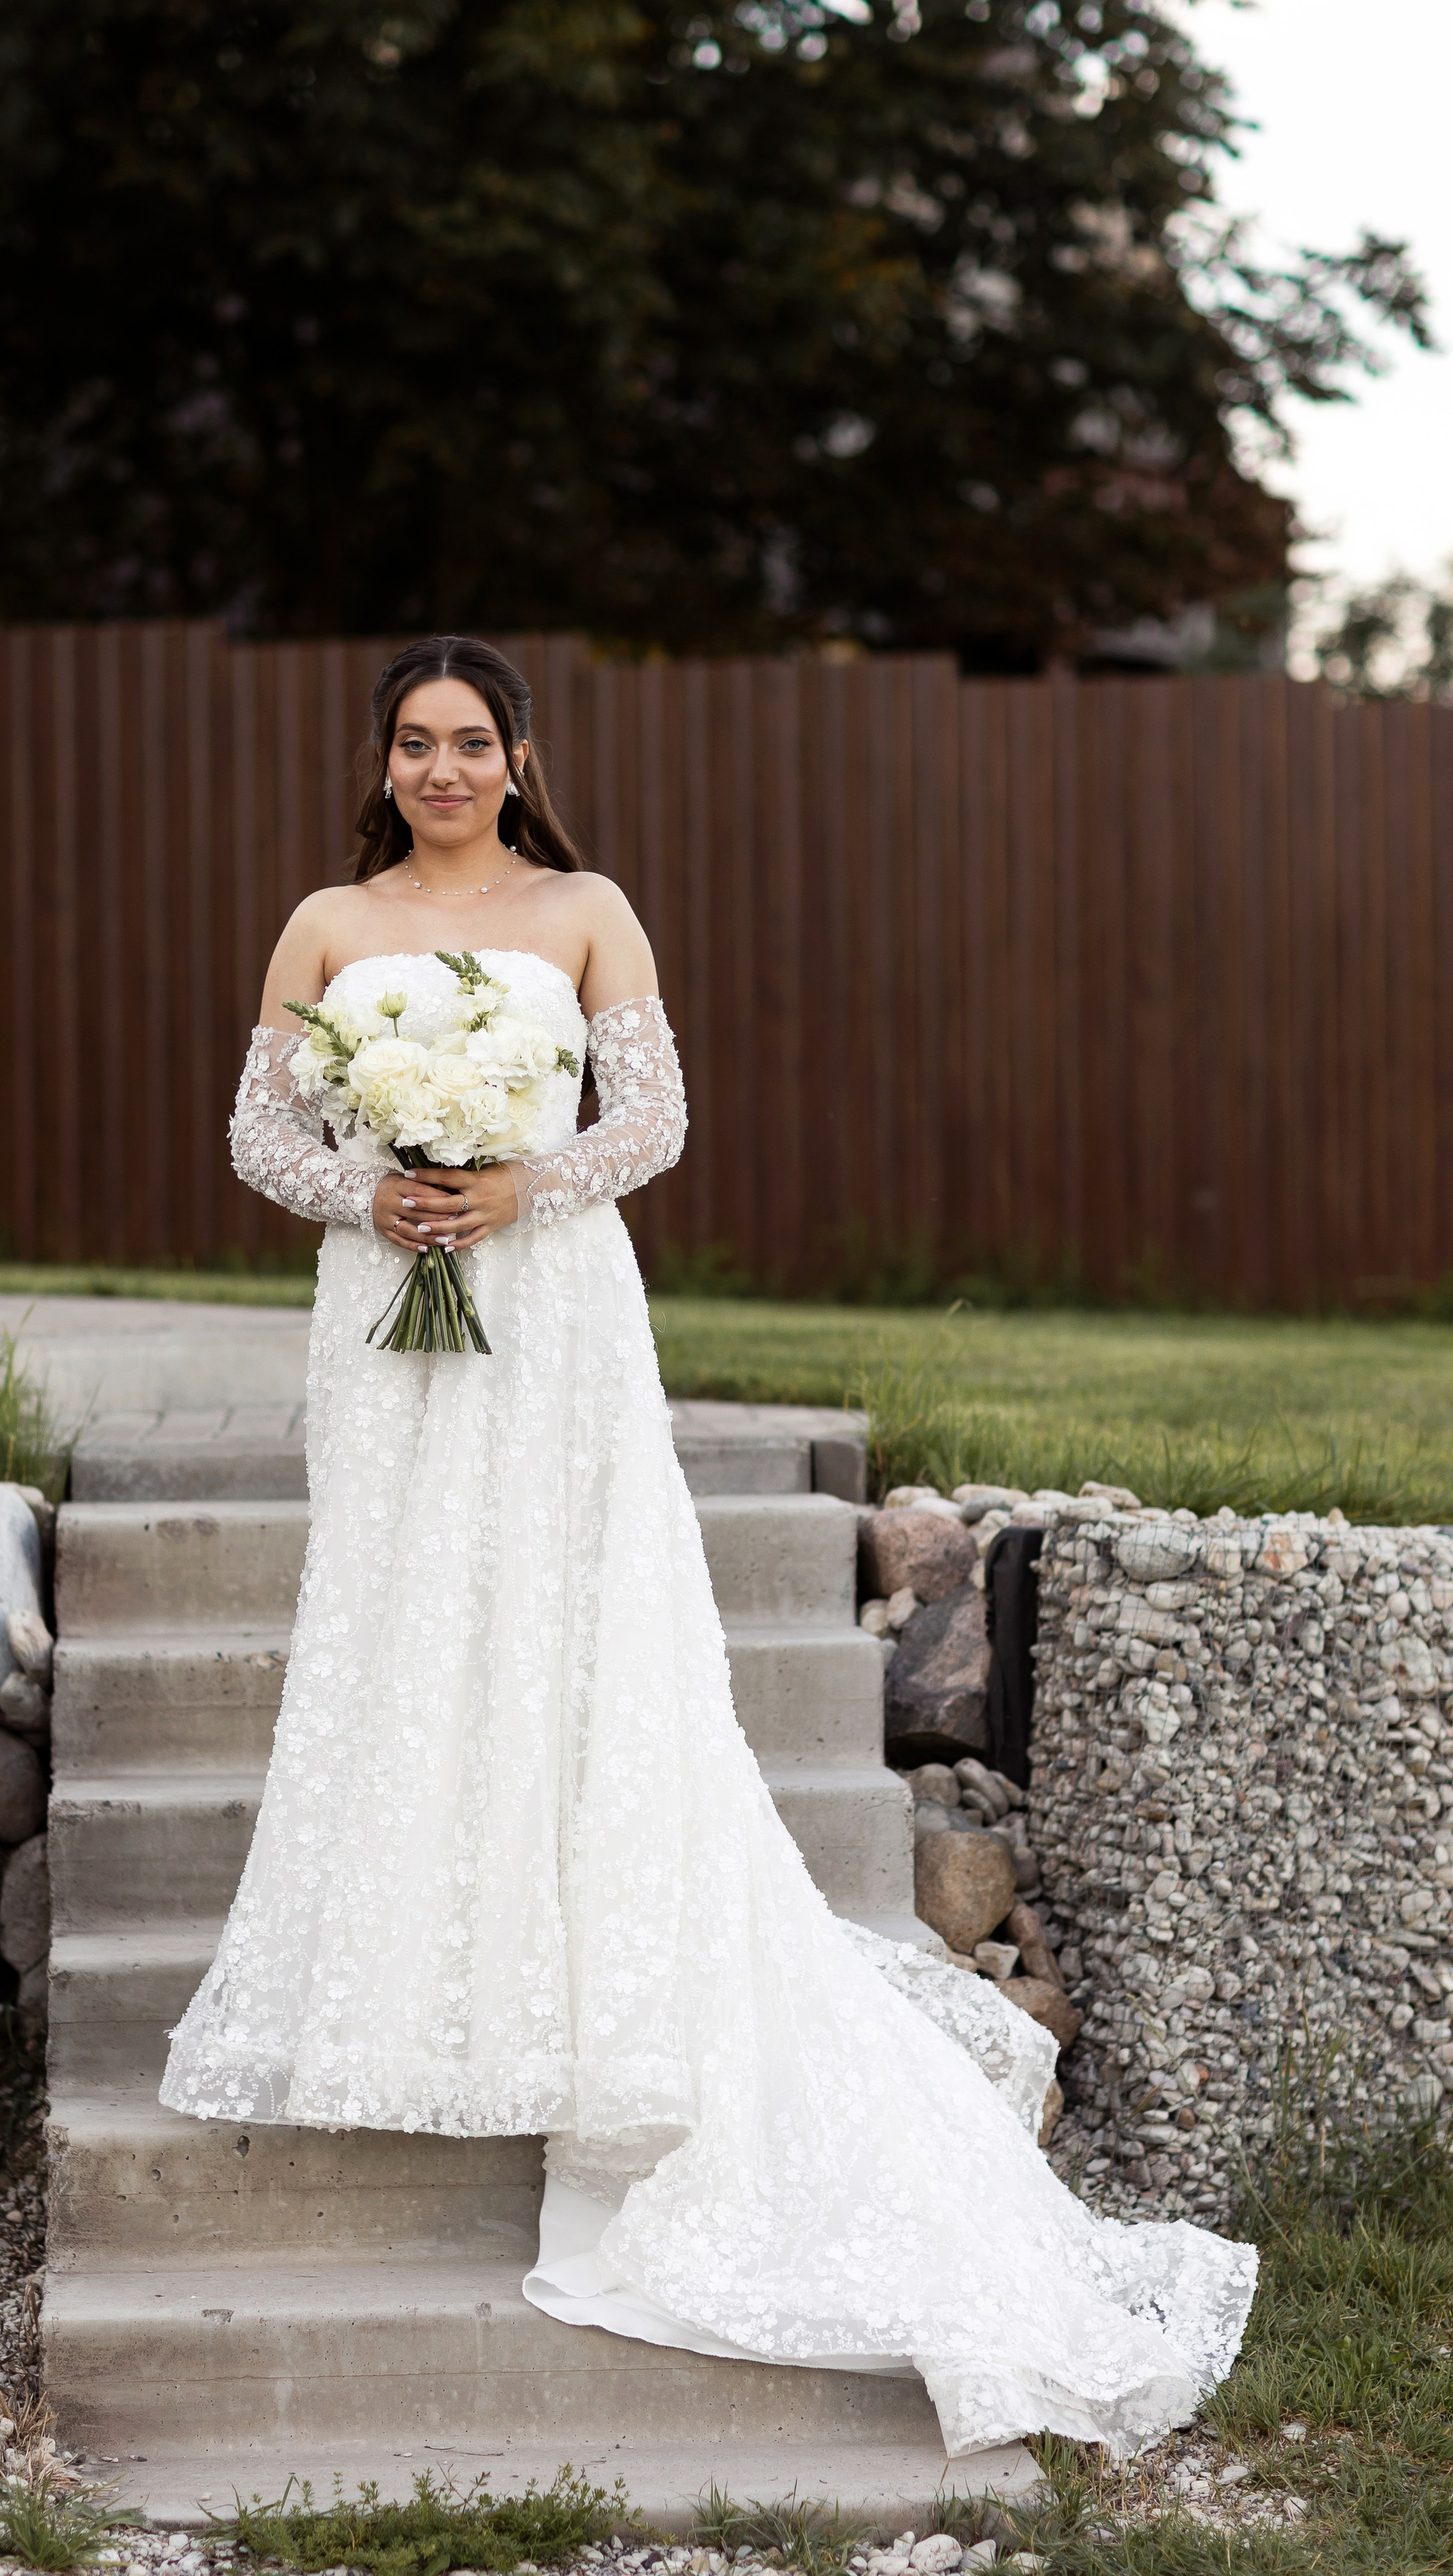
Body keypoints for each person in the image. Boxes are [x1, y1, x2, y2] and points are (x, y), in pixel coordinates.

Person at [160, 634, 1256, 2459]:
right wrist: (381, 1185)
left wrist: (519, 1181)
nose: (444, 767)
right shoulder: (323, 924)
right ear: (385, 758)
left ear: (520, 754)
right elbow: (256, 1126)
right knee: (407, 1615)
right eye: (416, 742)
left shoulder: (589, 907)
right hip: (385, 1303)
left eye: (473, 740)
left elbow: (656, 1117)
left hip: (561, 1304)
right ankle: (413, 1972)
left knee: (569, 1620)